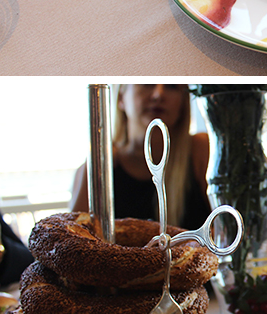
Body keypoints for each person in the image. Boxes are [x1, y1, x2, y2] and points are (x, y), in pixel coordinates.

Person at [70, 83, 211, 231]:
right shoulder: (99, 164)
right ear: (121, 97)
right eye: (147, 84)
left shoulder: (200, 150)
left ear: (183, 102)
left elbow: (224, 230)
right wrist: (95, 165)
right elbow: (74, 236)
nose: (158, 95)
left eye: (172, 86)